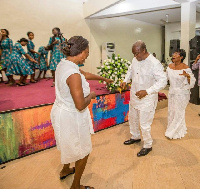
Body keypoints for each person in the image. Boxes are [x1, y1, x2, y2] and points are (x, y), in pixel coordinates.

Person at [51, 36, 113, 189]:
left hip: (60, 111)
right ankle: (76, 186)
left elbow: (84, 74)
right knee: (83, 150)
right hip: (72, 117)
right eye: (86, 52)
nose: (87, 55)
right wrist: (91, 95)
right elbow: (80, 105)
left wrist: (104, 78)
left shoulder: (64, 64)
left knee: (67, 144)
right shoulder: (73, 75)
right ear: (79, 52)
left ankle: (65, 169)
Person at [121, 40, 167, 157]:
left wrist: (147, 91)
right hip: (134, 95)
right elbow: (131, 70)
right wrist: (125, 80)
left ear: (144, 50)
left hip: (147, 98)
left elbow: (163, 81)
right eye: (134, 54)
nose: (135, 56)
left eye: (137, 54)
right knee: (133, 118)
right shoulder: (135, 59)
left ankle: (148, 145)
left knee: (144, 124)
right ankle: (135, 136)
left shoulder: (154, 63)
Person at [165, 49, 196, 139]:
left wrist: (188, 76)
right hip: (172, 93)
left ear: (181, 57)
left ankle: (175, 131)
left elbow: (192, 83)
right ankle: (171, 128)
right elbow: (165, 78)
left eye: (176, 54)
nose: (173, 55)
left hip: (182, 94)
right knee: (172, 111)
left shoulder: (186, 68)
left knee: (179, 112)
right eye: (173, 53)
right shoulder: (169, 67)